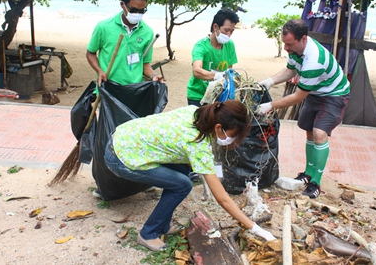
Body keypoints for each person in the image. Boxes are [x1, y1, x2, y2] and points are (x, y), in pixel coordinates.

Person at [103, 100, 276, 251]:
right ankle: (148, 233)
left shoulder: (196, 113)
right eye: (231, 135)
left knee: (182, 173)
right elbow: (223, 199)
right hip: (120, 157)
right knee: (183, 185)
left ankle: (161, 225)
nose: (231, 140)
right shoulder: (197, 144)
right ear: (218, 127)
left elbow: (187, 156)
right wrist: (255, 228)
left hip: (122, 138)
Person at [258, 19, 350, 199]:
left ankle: (315, 182)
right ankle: (308, 174)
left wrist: (270, 106)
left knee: (319, 134)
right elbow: (290, 70)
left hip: (334, 94)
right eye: (284, 43)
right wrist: (270, 81)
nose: (285, 48)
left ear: (304, 39)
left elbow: (298, 97)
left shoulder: (314, 61)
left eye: (289, 44)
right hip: (315, 91)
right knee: (308, 131)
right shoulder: (296, 50)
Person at [86, 0, 163, 88]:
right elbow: (90, 53)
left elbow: (145, 64)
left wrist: (154, 75)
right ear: (123, 5)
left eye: (142, 11)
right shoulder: (103, 27)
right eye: (133, 10)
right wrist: (99, 71)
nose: (137, 14)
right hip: (108, 88)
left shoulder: (147, 32)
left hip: (134, 90)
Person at [186, 8, 240, 106]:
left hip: (218, 95)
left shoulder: (230, 45)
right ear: (216, 27)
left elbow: (229, 69)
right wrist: (217, 76)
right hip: (198, 96)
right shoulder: (201, 46)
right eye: (226, 30)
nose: (229, 35)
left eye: (232, 31)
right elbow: (196, 71)